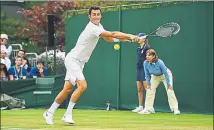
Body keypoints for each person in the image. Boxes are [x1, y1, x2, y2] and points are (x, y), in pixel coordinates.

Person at [43, 6, 142, 125]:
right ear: (89, 17)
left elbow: (108, 38)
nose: (96, 16)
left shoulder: (99, 27)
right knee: (83, 85)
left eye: (98, 14)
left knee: (67, 88)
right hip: (73, 60)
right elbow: (113, 33)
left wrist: (128, 40)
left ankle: (49, 112)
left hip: (80, 62)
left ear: (101, 15)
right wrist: (131, 36)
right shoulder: (92, 28)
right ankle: (67, 114)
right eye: (94, 14)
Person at [139, 49, 180, 115]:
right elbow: (146, 74)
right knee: (149, 90)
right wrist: (148, 84)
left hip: (165, 76)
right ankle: (148, 109)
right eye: (146, 55)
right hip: (155, 77)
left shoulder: (160, 62)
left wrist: (169, 84)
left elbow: (166, 74)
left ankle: (175, 109)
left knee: (170, 91)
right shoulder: (145, 63)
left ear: (153, 56)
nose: (147, 57)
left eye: (149, 55)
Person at [132, 33, 155, 114]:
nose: (138, 39)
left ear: (144, 39)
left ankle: (149, 107)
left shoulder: (147, 48)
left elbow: (150, 59)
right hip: (138, 69)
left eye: (140, 37)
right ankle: (140, 106)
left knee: (147, 89)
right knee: (139, 89)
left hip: (145, 69)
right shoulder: (138, 49)